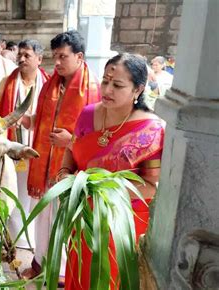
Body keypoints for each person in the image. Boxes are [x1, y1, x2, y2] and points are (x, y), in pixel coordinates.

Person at [62, 53, 164, 289]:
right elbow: (72, 149)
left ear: (138, 90)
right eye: (105, 82)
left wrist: (100, 189)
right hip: (82, 216)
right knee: (80, 274)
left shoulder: (150, 129)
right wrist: (64, 174)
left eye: (117, 85)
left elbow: (150, 187)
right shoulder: (88, 113)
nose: (107, 90)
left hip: (120, 226)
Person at [22, 30, 101, 284]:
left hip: (70, 171)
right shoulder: (50, 85)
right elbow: (42, 120)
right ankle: (40, 263)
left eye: (62, 57)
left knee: (63, 222)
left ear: (79, 56)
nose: (56, 63)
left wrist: (71, 142)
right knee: (42, 217)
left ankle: (63, 272)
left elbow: (101, 138)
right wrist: (25, 120)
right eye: (54, 56)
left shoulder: (93, 90)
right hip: (43, 165)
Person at [0, 39, 50, 249]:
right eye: (20, 55)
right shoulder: (7, 82)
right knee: (12, 189)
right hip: (11, 147)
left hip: (36, 150)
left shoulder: (48, 85)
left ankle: (31, 238)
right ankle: (14, 235)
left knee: (32, 194)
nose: (22, 59)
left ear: (40, 59)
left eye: (28, 55)